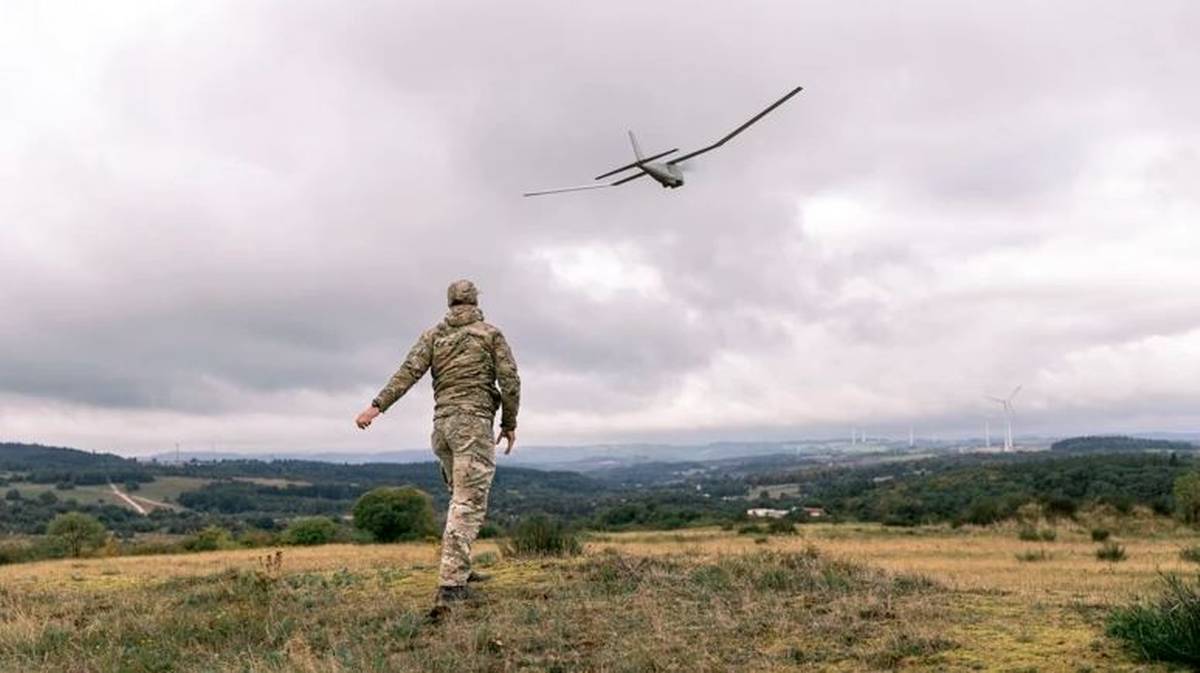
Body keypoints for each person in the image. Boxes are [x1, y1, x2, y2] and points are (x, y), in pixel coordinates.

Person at [355, 279, 520, 614]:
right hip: (472, 425)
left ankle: (461, 568)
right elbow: (510, 382)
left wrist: (375, 407)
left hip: (442, 427)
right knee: (468, 503)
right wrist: (509, 423)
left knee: (458, 499)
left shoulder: (433, 336)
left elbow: (407, 373)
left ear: (450, 303)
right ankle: (451, 589)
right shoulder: (490, 334)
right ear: (475, 302)